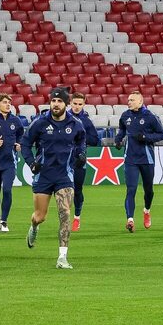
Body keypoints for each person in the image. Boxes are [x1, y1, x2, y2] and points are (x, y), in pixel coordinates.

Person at [23, 88, 86, 270]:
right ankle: (34, 228)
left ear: (66, 104)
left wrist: (81, 155)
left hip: (64, 176)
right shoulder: (40, 123)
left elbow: (81, 142)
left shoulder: (75, 124)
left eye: (59, 101)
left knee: (65, 213)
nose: (55, 104)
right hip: (43, 175)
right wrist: (31, 163)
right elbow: (26, 143)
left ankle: (62, 257)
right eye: (53, 101)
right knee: (40, 216)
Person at [114, 91, 163, 232]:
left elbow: (162, 134)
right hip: (130, 158)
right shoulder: (125, 116)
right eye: (128, 99)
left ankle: (147, 210)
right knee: (131, 189)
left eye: (132, 100)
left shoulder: (150, 116)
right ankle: (130, 219)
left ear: (140, 102)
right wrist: (118, 140)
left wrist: (145, 137)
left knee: (148, 190)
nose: (128, 102)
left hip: (147, 159)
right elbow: (122, 131)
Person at [0, 93, 24, 234]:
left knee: (7, 190)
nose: (8, 104)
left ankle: (4, 221)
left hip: (9, 162)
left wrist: (19, 143)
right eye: (4, 102)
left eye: (9, 102)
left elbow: (21, 134)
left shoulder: (16, 120)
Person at [67, 92, 101, 232]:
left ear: (84, 105)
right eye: (75, 103)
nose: (77, 107)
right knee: (63, 190)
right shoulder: (63, 118)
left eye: (80, 104)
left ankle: (77, 217)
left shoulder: (86, 121)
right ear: (70, 103)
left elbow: (96, 141)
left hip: (79, 160)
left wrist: (82, 139)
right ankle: (65, 218)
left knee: (77, 190)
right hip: (63, 160)